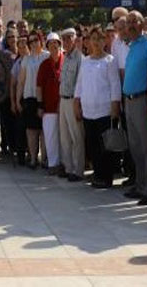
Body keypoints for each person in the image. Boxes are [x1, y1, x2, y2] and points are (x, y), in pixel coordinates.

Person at [74, 26, 122, 188]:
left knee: (105, 146)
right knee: (93, 144)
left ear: (104, 41)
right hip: (88, 111)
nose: (95, 42)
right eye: (93, 39)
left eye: (99, 39)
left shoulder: (110, 61)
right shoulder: (85, 61)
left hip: (104, 110)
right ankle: (97, 174)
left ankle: (106, 177)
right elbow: (79, 85)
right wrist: (77, 104)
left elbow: (115, 85)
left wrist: (115, 106)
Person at [121, 11, 147, 205]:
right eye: (129, 22)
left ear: (142, 23)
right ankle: (141, 184)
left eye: (134, 21)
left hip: (143, 100)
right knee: (136, 147)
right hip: (129, 101)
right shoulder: (132, 46)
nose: (131, 25)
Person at [17, 31, 50, 169]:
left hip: (44, 97)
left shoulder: (47, 56)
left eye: (36, 40)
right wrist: (18, 99)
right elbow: (21, 81)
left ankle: (44, 159)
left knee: (44, 130)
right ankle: (33, 158)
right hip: (30, 97)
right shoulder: (26, 59)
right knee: (31, 130)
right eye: (30, 42)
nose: (33, 43)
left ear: (41, 40)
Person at [58, 28, 84, 181]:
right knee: (65, 137)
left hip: (74, 100)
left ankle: (78, 170)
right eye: (64, 39)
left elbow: (80, 83)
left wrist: (78, 103)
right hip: (63, 99)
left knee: (77, 136)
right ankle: (68, 167)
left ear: (75, 39)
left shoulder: (80, 58)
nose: (66, 42)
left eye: (69, 38)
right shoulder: (66, 57)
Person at [37, 33, 64, 176]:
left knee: (64, 137)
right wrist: (40, 105)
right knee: (50, 136)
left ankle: (64, 164)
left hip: (65, 106)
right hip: (48, 107)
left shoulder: (65, 61)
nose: (54, 46)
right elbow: (39, 87)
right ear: (47, 46)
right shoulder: (44, 65)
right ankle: (53, 164)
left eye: (56, 43)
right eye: (51, 43)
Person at [10, 36, 30, 165]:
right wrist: (13, 102)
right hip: (21, 98)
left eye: (24, 46)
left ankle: (32, 154)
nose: (22, 49)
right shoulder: (17, 63)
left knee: (32, 129)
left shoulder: (34, 60)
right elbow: (12, 84)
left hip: (32, 97)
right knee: (21, 129)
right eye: (20, 47)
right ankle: (21, 155)